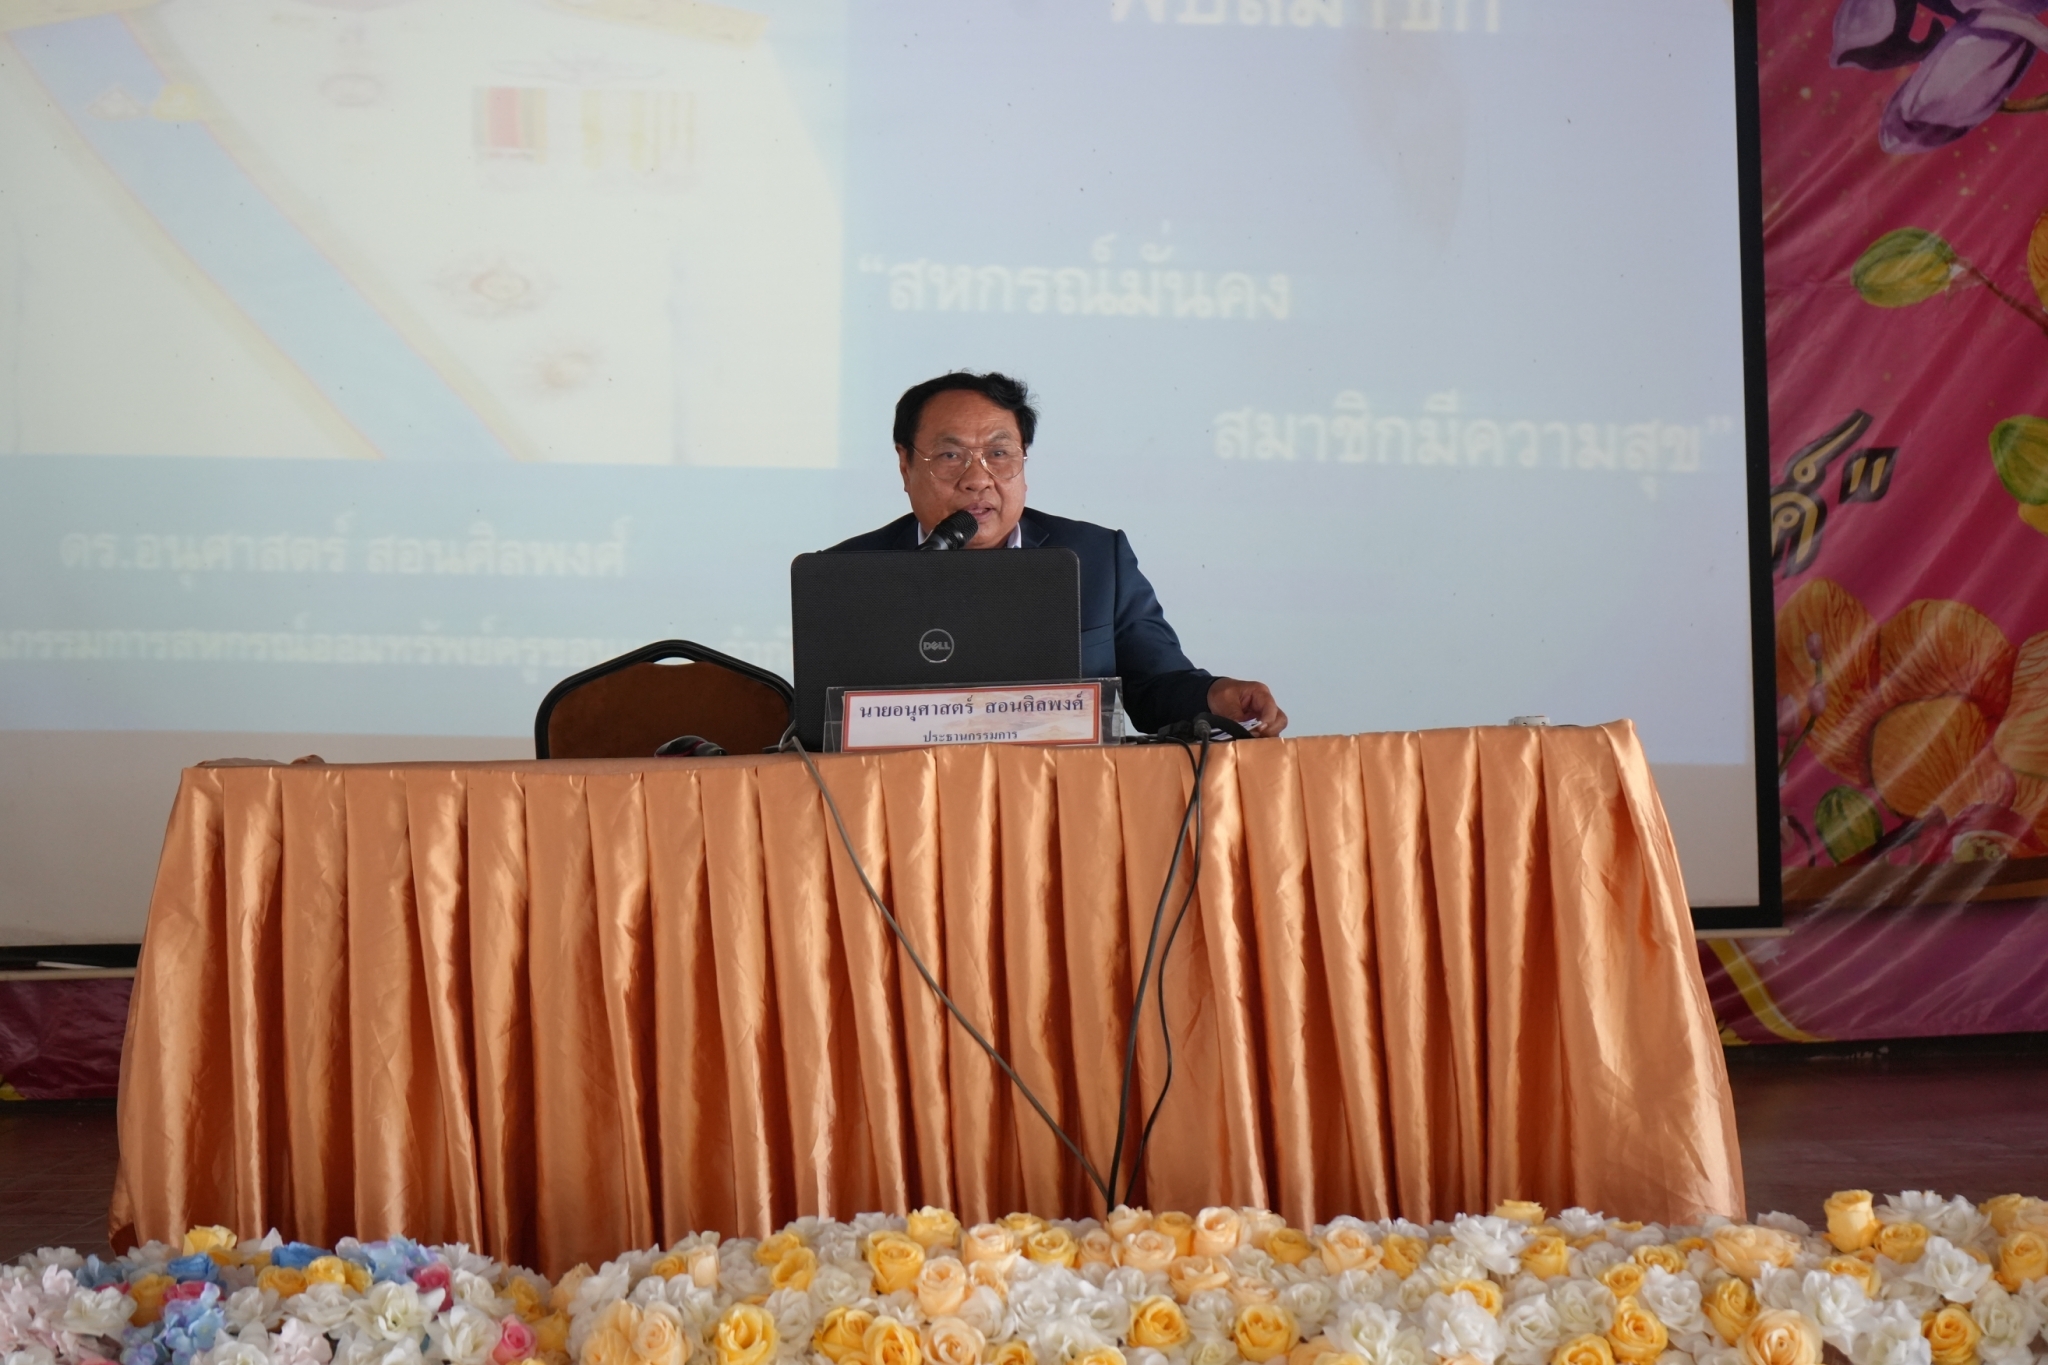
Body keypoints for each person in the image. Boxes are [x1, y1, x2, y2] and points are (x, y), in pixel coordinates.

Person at [828, 371, 1287, 737]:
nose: (978, 479)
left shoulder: (1096, 558)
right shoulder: (848, 574)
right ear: (905, 464)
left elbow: (1155, 684)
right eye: (951, 456)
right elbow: (828, 719)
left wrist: (1217, 696)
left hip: (1065, 801)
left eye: (999, 454)